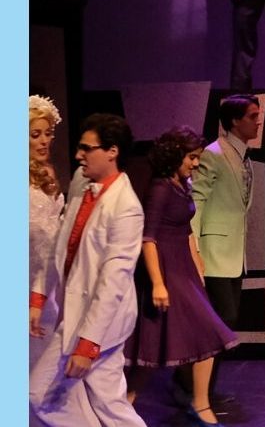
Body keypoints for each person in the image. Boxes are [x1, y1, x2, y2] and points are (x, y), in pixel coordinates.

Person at [30, 114, 146, 426]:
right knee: (104, 404)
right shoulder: (83, 184)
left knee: (49, 395)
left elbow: (113, 282)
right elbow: (60, 244)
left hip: (102, 323)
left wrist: (88, 343)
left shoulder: (126, 208)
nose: (78, 155)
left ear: (112, 151)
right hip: (78, 313)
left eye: (87, 148)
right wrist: (39, 295)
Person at [126, 127, 238, 426]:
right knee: (155, 347)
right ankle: (123, 406)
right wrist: (158, 283)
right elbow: (148, 238)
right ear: (175, 155)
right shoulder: (161, 188)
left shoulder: (182, 184)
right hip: (165, 269)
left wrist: (198, 264)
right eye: (191, 157)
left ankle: (199, 404)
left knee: (198, 337)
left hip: (183, 268)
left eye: (197, 157)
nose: (196, 163)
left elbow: (186, 230)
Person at [191, 95, 260, 332]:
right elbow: (196, 202)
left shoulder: (244, 156)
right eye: (252, 116)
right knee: (223, 321)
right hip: (213, 254)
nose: (258, 122)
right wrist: (194, 249)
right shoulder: (213, 154)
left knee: (229, 322)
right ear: (235, 121)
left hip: (234, 255)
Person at [29, 96, 64, 373]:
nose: (44, 141)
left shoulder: (47, 173)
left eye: (48, 134)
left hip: (52, 278)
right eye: (35, 135)